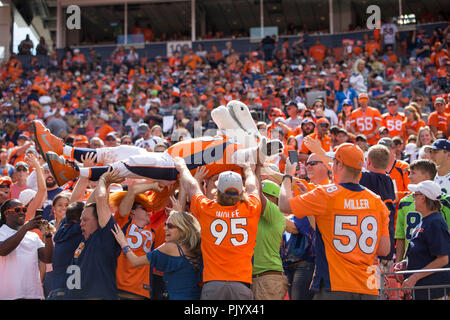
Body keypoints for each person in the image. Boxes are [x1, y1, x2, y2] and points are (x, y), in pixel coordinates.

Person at [279, 143, 391, 299]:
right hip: (369, 285)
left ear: (339, 164)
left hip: (335, 285)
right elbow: (384, 249)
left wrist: (287, 177)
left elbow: (284, 205)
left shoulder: (327, 194)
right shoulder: (376, 201)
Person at [175, 156, 261, 300]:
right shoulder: (251, 208)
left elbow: (191, 186)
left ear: (218, 190)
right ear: (241, 191)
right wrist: (248, 169)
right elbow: (253, 186)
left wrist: (182, 167)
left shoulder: (206, 209)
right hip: (241, 283)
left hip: (213, 283)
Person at [112, 210, 202, 300]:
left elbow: (135, 261)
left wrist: (123, 242)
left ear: (182, 229)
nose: (165, 228)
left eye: (170, 226)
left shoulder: (170, 247)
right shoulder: (196, 248)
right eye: (165, 225)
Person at [64, 169, 122, 300]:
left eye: (85, 220)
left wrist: (103, 180)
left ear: (100, 220)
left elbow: (101, 199)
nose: (81, 224)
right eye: (81, 220)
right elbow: (89, 206)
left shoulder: (105, 236)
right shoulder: (84, 241)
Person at [394, 181, 450, 300]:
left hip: (434, 292)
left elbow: (443, 259)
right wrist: (406, 263)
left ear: (423, 198)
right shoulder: (426, 220)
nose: (413, 198)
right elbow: (424, 254)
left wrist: (414, 277)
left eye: (415, 195)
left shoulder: (435, 222)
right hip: (423, 291)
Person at [110, 181, 165, 300]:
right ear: (132, 211)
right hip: (120, 289)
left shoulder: (154, 230)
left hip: (142, 291)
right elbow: (133, 190)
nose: (149, 212)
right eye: (144, 208)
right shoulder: (123, 222)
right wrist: (152, 185)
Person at [0, 199, 54, 299]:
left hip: (33, 294)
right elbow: (3, 250)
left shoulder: (33, 236)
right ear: (6, 214)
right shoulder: (1, 232)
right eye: (17, 210)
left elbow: (47, 258)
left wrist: (48, 234)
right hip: (8, 295)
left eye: (24, 210)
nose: (22, 213)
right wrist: (25, 228)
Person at [251, 179, 288, 300]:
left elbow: (259, 198)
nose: (255, 200)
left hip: (268, 278)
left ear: (274, 199)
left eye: (266, 196)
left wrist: (255, 171)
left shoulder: (277, 214)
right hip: (253, 278)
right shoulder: (253, 215)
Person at [46, 201, 84, 300]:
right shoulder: (80, 232)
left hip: (56, 290)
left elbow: (71, 212)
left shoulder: (62, 229)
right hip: (70, 292)